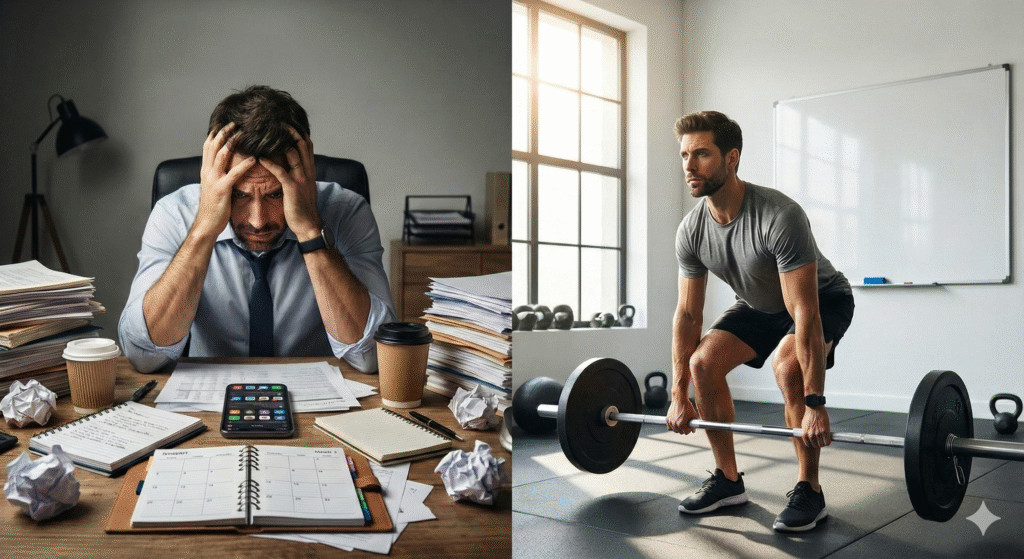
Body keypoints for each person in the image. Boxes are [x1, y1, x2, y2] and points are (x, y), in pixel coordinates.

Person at [119, 85, 396, 374]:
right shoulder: (174, 214)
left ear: (305, 176)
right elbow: (144, 356)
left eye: (276, 194)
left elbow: (372, 357)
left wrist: (311, 230)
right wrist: (203, 230)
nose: (257, 221)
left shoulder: (347, 212)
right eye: (239, 194)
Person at [666, 111, 854, 532]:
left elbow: (803, 311)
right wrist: (680, 393)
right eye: (684, 155)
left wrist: (816, 405)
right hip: (757, 303)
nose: (689, 166)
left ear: (731, 158)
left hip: (823, 299)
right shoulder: (692, 230)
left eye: (701, 154)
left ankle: (810, 489)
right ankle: (728, 480)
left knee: (788, 367)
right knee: (702, 364)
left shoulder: (778, 215)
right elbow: (688, 315)